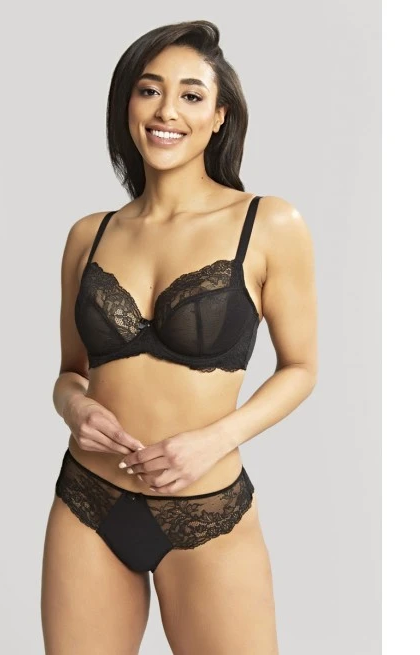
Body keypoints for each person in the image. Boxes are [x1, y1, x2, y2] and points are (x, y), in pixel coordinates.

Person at [41, 19, 317, 655]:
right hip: (87, 499)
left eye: (191, 95)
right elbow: (69, 373)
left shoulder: (268, 223)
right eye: (149, 90)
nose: (167, 111)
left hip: (206, 507)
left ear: (219, 117)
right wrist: (75, 407)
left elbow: (301, 367)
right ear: (128, 106)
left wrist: (216, 439)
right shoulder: (89, 234)